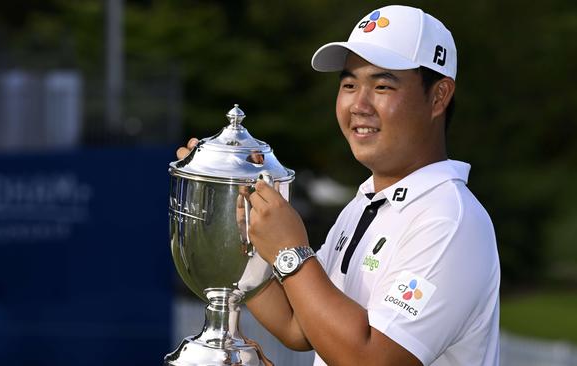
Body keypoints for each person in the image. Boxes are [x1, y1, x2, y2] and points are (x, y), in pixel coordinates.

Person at [177, 5, 500, 366]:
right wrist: (241, 223)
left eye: (381, 85)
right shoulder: (367, 203)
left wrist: (290, 252)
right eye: (349, 85)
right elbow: (300, 325)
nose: (358, 104)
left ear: (439, 96)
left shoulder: (450, 220)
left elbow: (372, 359)